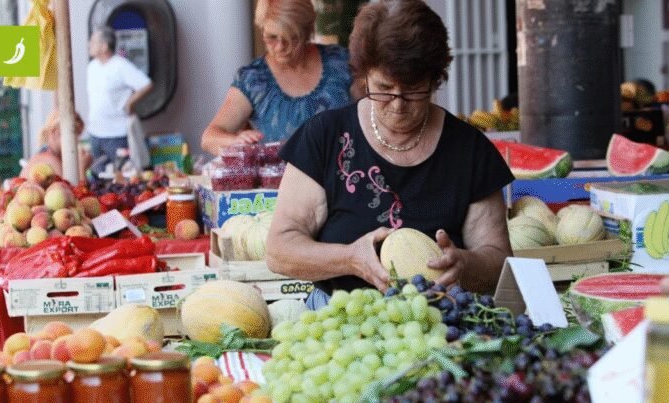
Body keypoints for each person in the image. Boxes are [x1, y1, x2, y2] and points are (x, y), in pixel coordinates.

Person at [266, 0, 515, 309]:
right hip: (341, 317)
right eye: (383, 87)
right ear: (363, 75)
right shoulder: (325, 137)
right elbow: (279, 250)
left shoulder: (470, 150)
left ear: (434, 79)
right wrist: (350, 259)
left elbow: (499, 259)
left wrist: (466, 265)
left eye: (412, 90)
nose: (397, 104)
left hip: (441, 322)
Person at [201, 0, 354, 154]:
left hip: (344, 173)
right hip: (283, 178)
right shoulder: (254, 80)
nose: (280, 47)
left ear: (308, 31)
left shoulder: (341, 63)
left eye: (292, 38)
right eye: (271, 37)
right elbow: (209, 138)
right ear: (262, 30)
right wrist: (236, 141)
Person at [86, 27, 153, 173]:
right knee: (99, 176)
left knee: (122, 177)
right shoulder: (92, 67)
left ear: (104, 46)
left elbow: (146, 84)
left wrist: (130, 102)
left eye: (93, 41)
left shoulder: (120, 65)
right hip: (96, 134)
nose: (89, 44)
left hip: (117, 135)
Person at [20, 109, 91, 178]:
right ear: (55, 132)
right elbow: (71, 189)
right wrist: (82, 167)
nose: (77, 140)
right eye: (74, 134)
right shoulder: (50, 161)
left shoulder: (51, 154)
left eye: (79, 135)